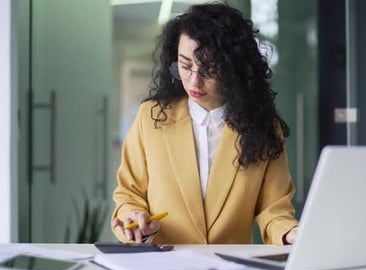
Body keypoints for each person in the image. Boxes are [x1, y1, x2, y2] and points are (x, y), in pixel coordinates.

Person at [111, 2, 298, 245]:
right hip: (163, 267)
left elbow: (274, 211)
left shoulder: (262, 128)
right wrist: (133, 220)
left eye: (209, 69)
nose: (194, 82)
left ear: (234, 69)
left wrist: (291, 234)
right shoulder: (151, 118)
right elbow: (129, 194)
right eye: (185, 66)